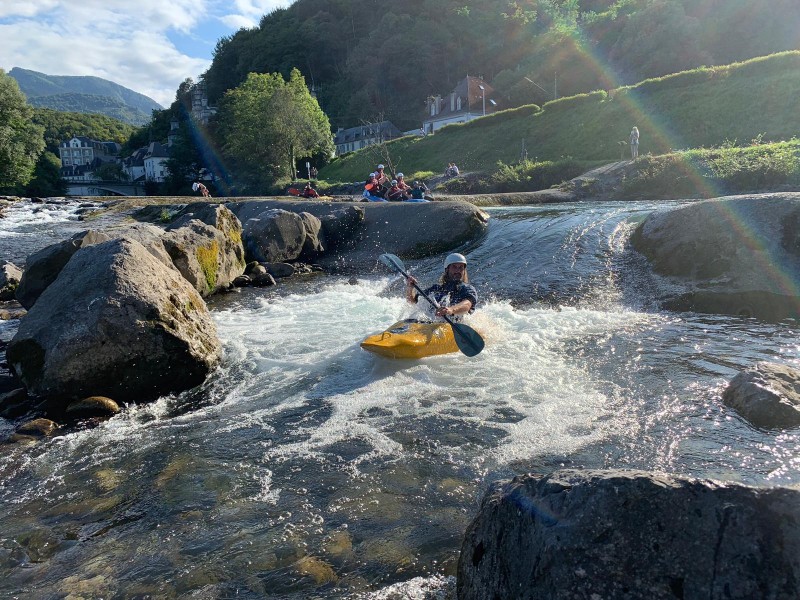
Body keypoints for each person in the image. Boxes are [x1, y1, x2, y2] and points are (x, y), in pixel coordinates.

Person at [405, 253, 477, 321]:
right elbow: (413, 301)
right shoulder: (436, 289)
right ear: (447, 269)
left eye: (461, 267)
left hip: (457, 325)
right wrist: (410, 288)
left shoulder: (467, 288)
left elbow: (467, 304)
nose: (458, 270)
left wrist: (451, 310)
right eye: (454, 267)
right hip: (434, 324)